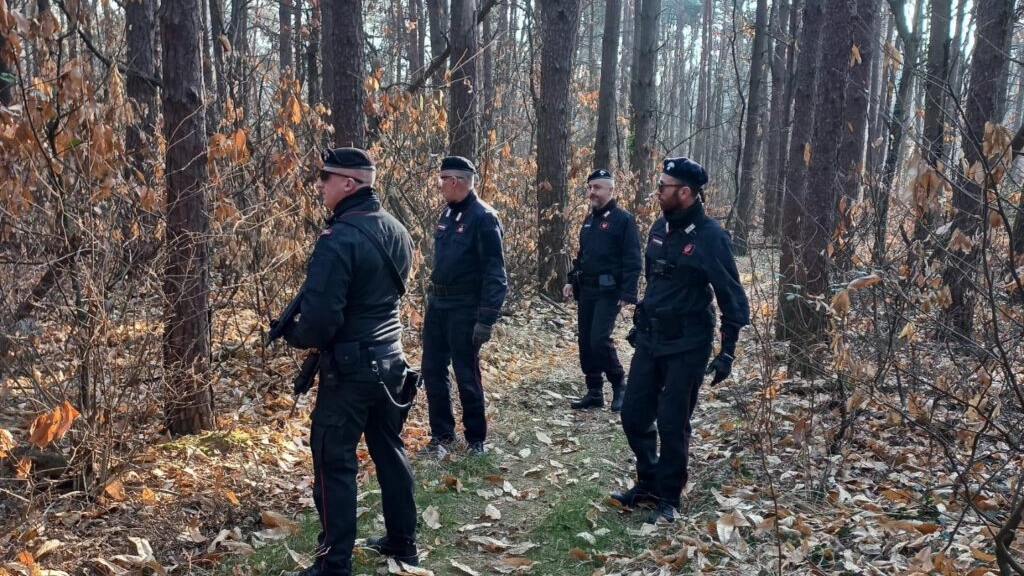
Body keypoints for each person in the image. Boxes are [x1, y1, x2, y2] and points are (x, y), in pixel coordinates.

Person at [281, 147, 418, 575]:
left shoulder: (337, 238)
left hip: (351, 371)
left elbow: (321, 321)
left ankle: (333, 563)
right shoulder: (397, 229)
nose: (319, 184)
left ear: (349, 183)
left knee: (333, 461)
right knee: (390, 452)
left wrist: (294, 334)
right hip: (392, 363)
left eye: (326, 176)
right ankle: (402, 543)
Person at [611, 157, 750, 523]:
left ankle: (669, 498)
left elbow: (731, 297)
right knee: (633, 414)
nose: (657, 192)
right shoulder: (660, 227)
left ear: (685, 192)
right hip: (651, 340)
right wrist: (642, 322)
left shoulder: (711, 237)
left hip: (688, 344)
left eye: (663, 186)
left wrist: (727, 353)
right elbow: (655, 282)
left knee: (673, 422)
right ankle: (649, 482)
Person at [420, 156, 508, 457]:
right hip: (438, 305)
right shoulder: (447, 213)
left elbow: (496, 273)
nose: (439, 185)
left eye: (442, 179)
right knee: (432, 370)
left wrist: (486, 319)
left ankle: (475, 439)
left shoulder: (484, 218)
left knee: (465, 374)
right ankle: (442, 435)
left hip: (464, 308)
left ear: (455, 181)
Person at [563, 169, 642, 412]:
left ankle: (619, 384)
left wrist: (627, 293)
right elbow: (582, 256)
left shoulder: (623, 220)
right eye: (590, 187)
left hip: (609, 292)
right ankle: (594, 390)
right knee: (586, 341)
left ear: (611, 190)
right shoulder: (589, 221)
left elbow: (633, 259)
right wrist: (570, 280)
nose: (592, 192)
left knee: (599, 339)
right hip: (586, 291)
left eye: (597, 187)